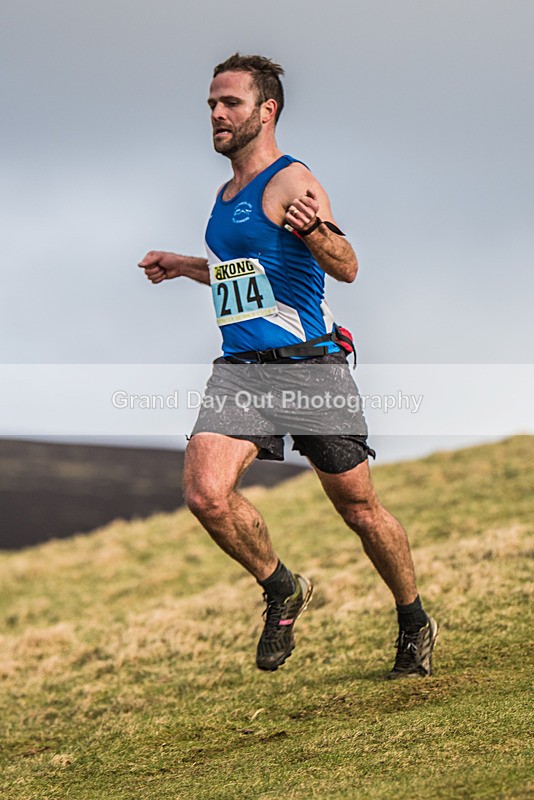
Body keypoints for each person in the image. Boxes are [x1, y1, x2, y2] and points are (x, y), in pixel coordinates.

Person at [139, 53, 438, 678]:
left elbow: (347, 264)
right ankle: (281, 587)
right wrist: (186, 264)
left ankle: (413, 620)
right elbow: (243, 276)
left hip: (310, 367)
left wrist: (316, 233)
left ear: (266, 110)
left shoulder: (291, 179)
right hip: (242, 370)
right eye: (212, 105)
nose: (218, 115)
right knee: (205, 493)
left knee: (358, 508)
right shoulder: (226, 195)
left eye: (231, 104)